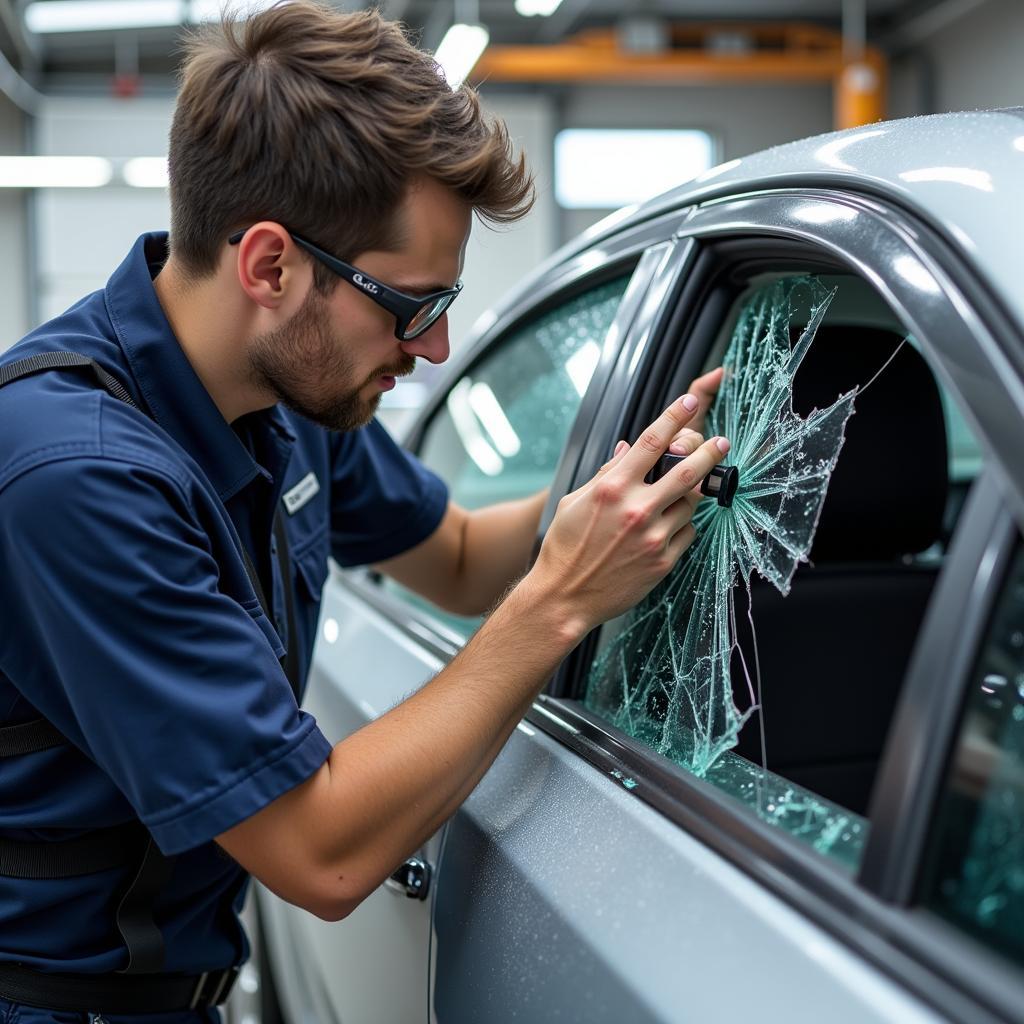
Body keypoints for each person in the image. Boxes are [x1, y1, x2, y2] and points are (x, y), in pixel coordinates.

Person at [0, 2, 728, 1020]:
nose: (431, 350)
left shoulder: (290, 401)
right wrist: (562, 598)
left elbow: (466, 557)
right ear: (269, 265)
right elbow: (321, 851)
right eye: (411, 307)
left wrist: (614, 481)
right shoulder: (74, 476)